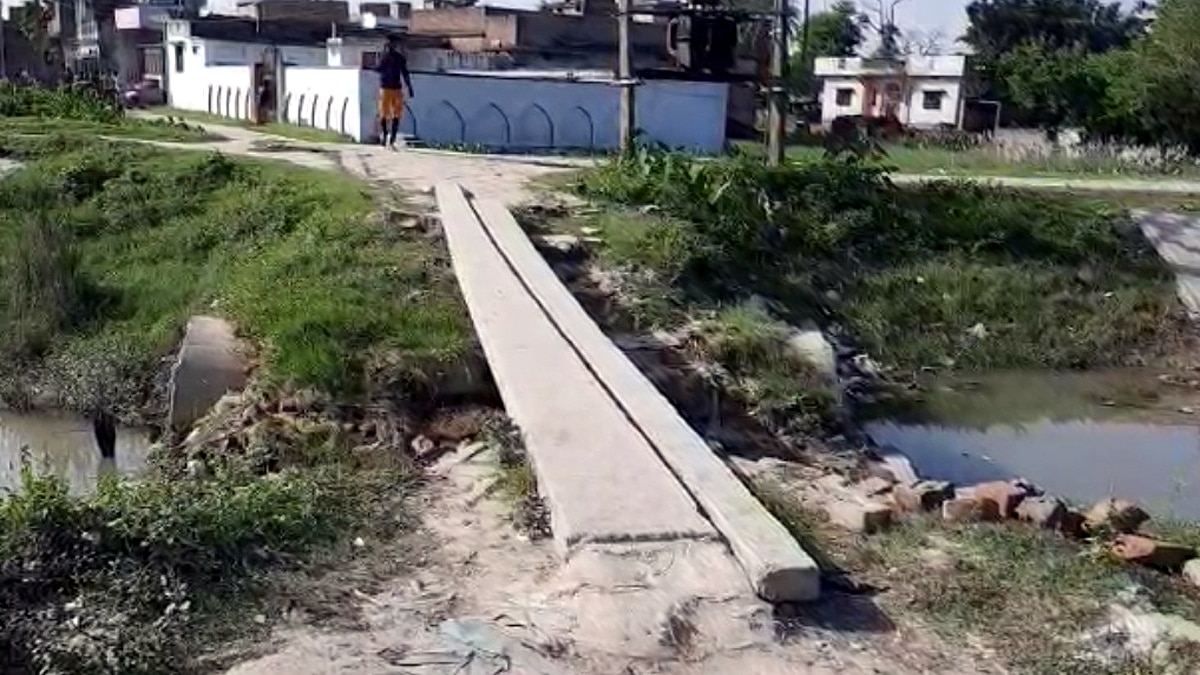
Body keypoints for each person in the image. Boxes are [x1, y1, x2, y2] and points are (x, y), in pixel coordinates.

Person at [375, 36, 415, 150]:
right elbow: (405, 74)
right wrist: (409, 87)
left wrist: (409, 87)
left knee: (392, 115)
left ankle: (389, 139)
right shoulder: (391, 58)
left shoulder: (389, 58)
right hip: (390, 89)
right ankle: (388, 139)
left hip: (391, 89)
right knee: (387, 115)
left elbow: (404, 73)